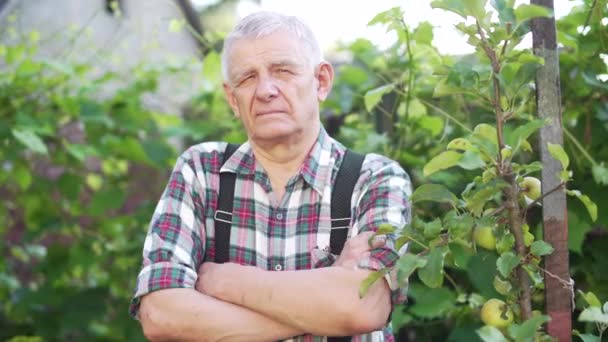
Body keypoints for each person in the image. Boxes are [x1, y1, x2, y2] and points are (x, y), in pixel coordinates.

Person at [130, 11, 412, 342]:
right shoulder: (202, 173)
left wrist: (227, 282)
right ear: (233, 99)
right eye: (247, 78)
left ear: (320, 81)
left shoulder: (375, 179)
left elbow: (365, 308)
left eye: (283, 71)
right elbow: (161, 316)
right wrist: (329, 303)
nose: (265, 90)